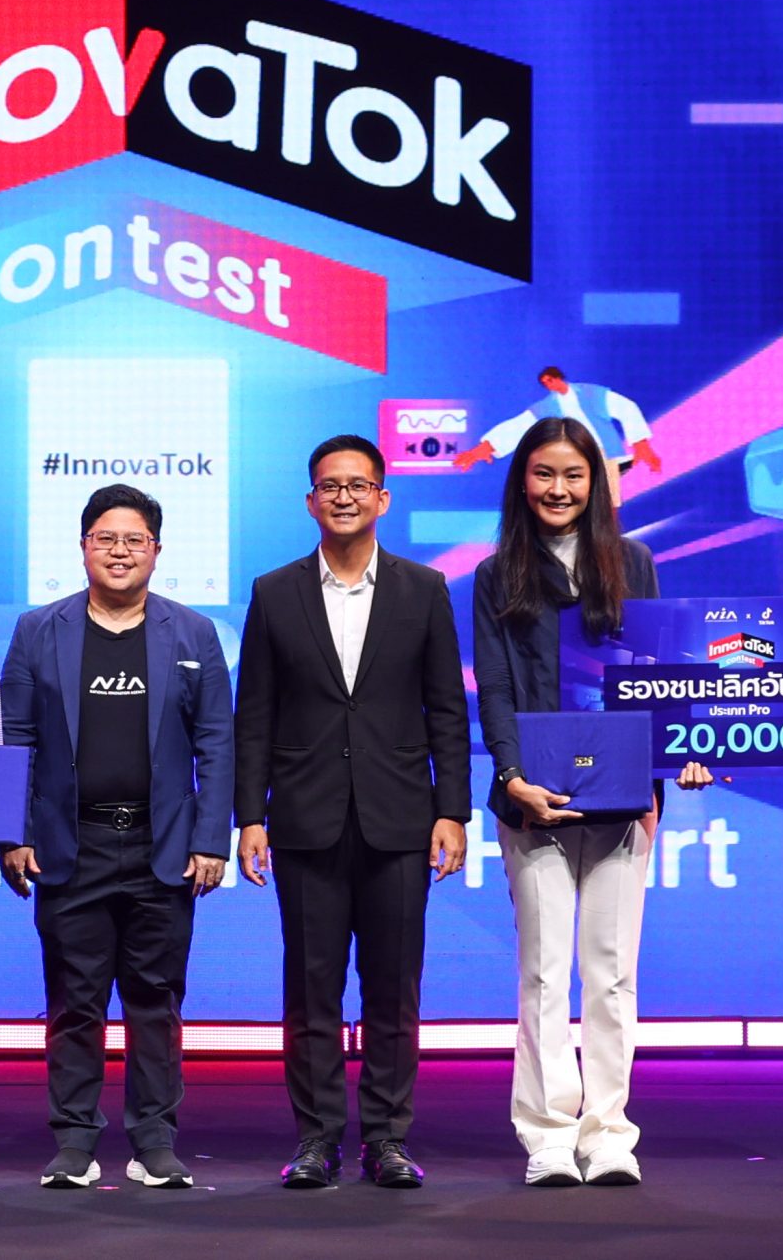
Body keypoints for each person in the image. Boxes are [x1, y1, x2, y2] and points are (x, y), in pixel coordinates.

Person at [473, 416, 710, 1189]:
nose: (559, 488)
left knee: (610, 974)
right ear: (522, 481)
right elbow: (495, 687)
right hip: (530, 801)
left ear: (596, 483)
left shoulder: (632, 562)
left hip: (622, 803)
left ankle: (607, 1131)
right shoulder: (497, 572)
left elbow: (658, 675)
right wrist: (513, 775)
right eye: (544, 473)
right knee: (544, 973)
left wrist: (683, 752)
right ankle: (547, 1133)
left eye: (573, 474)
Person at [235, 434, 470, 1190]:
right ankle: (316, 1139)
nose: (344, 496)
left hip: (400, 820)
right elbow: (254, 716)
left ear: (382, 498)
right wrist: (250, 816)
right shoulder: (274, 591)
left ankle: (388, 1139)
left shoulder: (423, 589)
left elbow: (446, 710)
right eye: (330, 486)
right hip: (304, 821)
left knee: (394, 990)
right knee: (311, 991)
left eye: (358, 485)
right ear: (311, 500)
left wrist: (453, 810)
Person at [0, 484, 233, 1192]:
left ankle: (154, 1142)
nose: (120, 551)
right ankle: (74, 1142)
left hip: (163, 847)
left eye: (135, 540)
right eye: (106, 538)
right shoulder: (38, 630)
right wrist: (12, 833)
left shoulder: (193, 633)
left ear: (157, 550)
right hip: (71, 846)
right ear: (83, 547)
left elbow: (217, 741)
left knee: (156, 1003)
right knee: (74, 1004)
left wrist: (211, 837)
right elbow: (15, 736)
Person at [454, 367, 660, 502]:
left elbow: (625, 407)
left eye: (550, 380)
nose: (549, 385)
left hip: (605, 455)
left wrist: (641, 444)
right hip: (574, 460)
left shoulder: (590, 393)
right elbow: (520, 426)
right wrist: (484, 448)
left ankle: (607, 552)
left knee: (607, 506)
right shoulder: (548, 406)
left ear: (558, 378)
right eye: (545, 383)